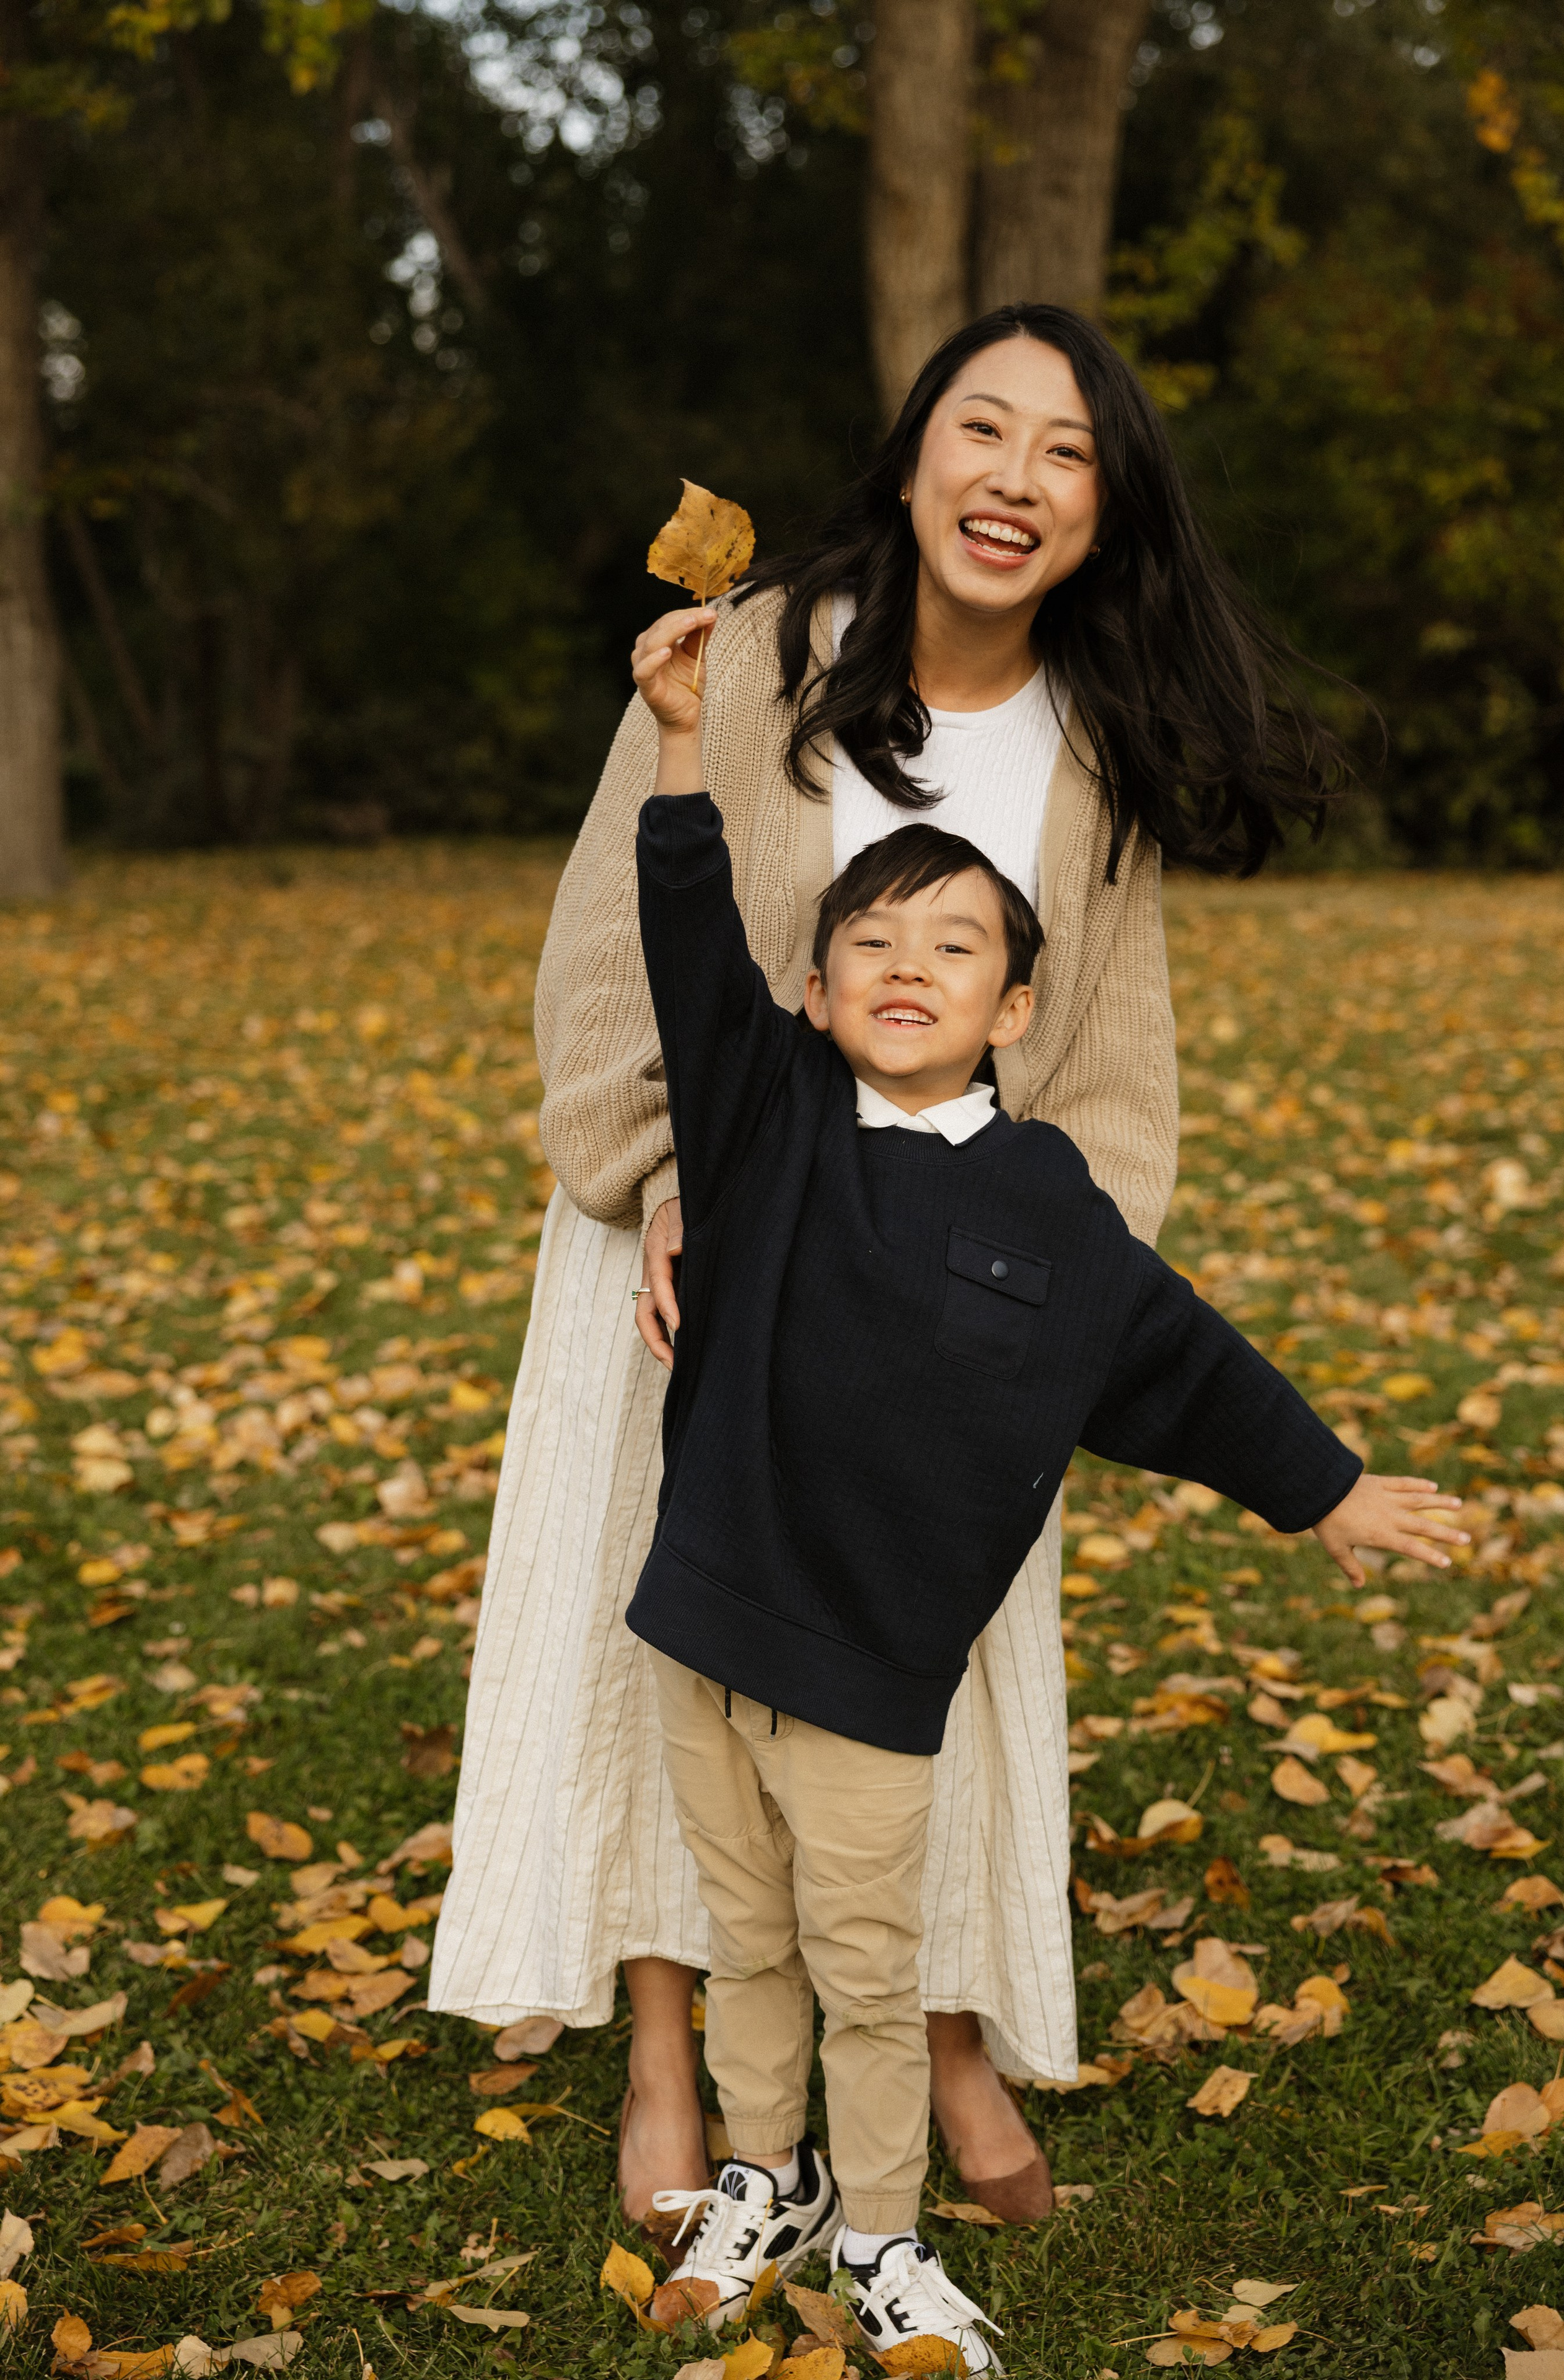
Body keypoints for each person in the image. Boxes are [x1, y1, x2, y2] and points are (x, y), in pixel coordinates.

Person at [428, 301, 1353, 2229]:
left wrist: (1011, 1299)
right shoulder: (756, 654)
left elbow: (1109, 1074)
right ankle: (672, 2050)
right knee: (662, 1642)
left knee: (912, 1678)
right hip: (698, 1259)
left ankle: (935, 2028)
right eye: (983, 430)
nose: (1015, 480)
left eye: (1068, 454)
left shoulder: (1093, 753)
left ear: (1108, 512)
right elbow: (619, 941)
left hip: (935, 1325)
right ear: (917, 449)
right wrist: (681, 1180)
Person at [625, 661, 1466, 2367]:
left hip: (870, 1672)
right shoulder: (764, 1119)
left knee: (865, 1973)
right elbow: (684, 940)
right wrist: (679, 742)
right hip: (705, 1624)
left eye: (953, 948)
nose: (908, 969)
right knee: (749, 1941)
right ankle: (762, 2179)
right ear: (811, 988)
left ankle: (876, 2233)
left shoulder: (1046, 1206)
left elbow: (1185, 1365)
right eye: (871, 944)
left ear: (1016, 1005)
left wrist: (1330, 1492)